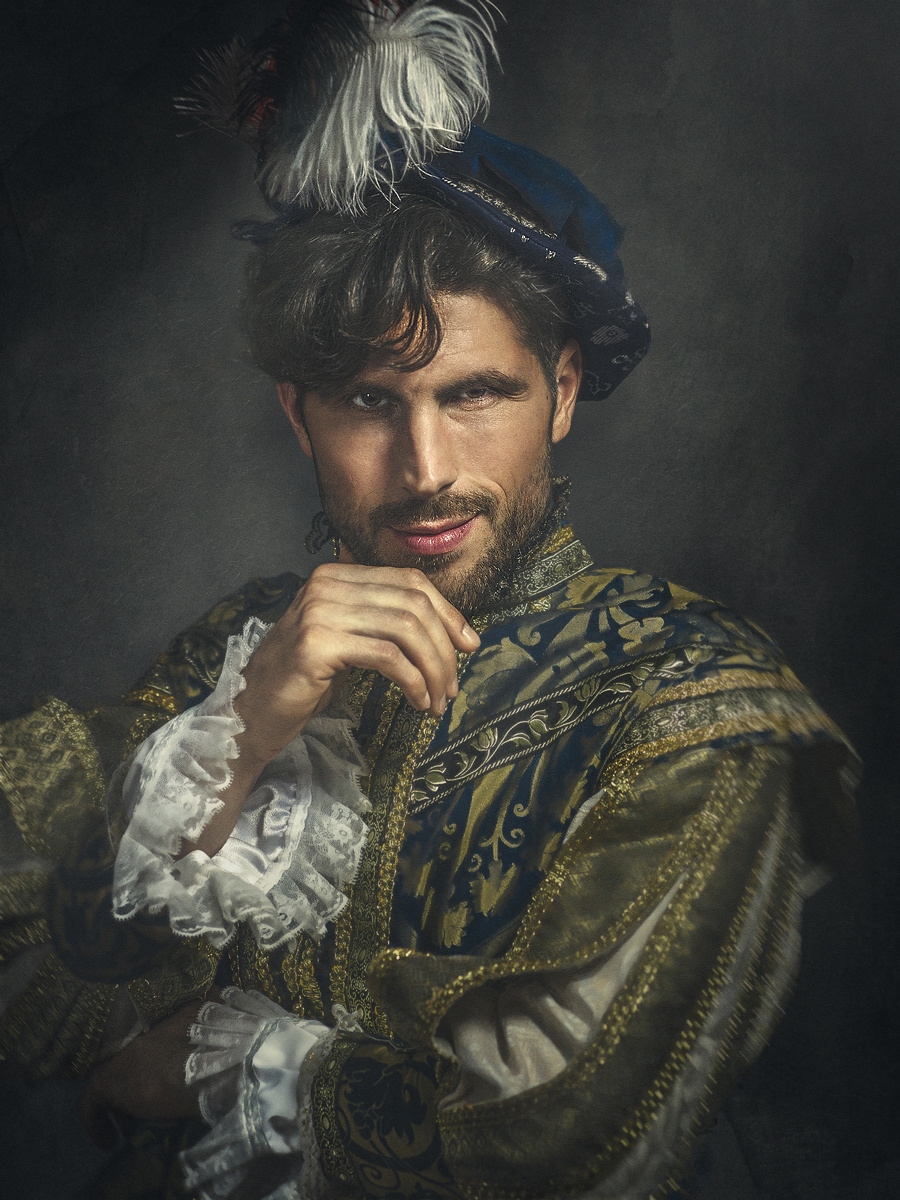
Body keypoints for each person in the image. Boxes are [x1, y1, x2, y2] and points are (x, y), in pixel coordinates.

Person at [0, 3, 858, 1198]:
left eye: (475, 394)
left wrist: (214, 1070)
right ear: (297, 416)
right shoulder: (238, 656)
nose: (426, 469)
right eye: (368, 401)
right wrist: (245, 729)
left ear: (563, 392)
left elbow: (560, 1132)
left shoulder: (692, 703)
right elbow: (51, 986)